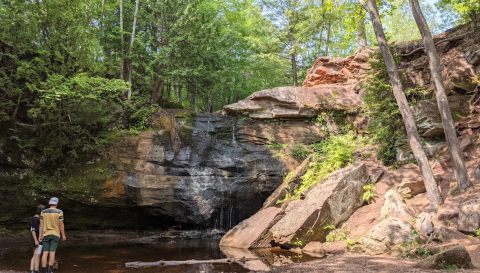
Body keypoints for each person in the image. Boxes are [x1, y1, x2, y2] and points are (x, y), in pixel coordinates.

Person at [39, 197, 66, 273]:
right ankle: (50, 271)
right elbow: (61, 224)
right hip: (55, 234)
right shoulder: (59, 212)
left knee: (45, 253)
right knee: (52, 252)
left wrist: (40, 235)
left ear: (50, 203)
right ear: (56, 204)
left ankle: (44, 271)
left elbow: (41, 224)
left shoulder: (43, 212)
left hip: (46, 234)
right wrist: (63, 235)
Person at [30, 204, 45, 273]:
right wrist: (36, 240)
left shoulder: (36, 218)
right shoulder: (36, 219)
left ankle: (32, 270)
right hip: (36, 238)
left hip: (37, 238)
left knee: (35, 254)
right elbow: (33, 230)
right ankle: (36, 270)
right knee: (37, 254)